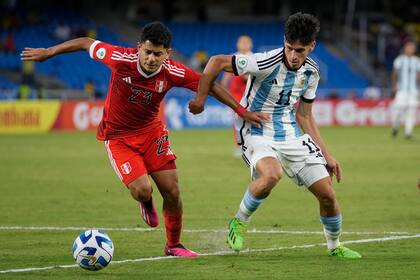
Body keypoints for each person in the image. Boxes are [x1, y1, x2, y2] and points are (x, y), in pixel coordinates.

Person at [21, 22, 267, 257]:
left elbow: (208, 83)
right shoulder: (120, 58)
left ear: (167, 53)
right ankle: (145, 200)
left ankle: (174, 245)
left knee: (172, 191)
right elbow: (86, 42)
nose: (151, 59)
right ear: (139, 47)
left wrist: (240, 111)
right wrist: (49, 51)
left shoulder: (172, 71)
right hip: (118, 137)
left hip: (152, 134)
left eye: (157, 54)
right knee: (142, 189)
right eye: (147, 52)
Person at [191, 12, 361, 258]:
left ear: (312, 46)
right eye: (289, 48)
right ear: (284, 41)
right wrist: (200, 99)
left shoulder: (312, 73)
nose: (293, 55)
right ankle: (238, 222)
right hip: (255, 130)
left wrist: (328, 154)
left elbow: (304, 116)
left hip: (290, 134)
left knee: (328, 195)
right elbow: (216, 62)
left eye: (300, 51)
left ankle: (335, 247)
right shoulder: (265, 61)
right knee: (272, 174)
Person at [220, 35, 253, 156]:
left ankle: (250, 143)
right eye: (241, 43)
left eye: (246, 43)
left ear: (250, 45)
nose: (244, 45)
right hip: (235, 94)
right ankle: (239, 145)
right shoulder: (234, 57)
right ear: (238, 44)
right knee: (237, 119)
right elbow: (226, 77)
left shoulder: (253, 58)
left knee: (249, 119)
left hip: (248, 94)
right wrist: (225, 90)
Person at [391, 41, 420, 139]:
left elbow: (419, 76)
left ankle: (408, 132)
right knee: (398, 109)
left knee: (412, 111)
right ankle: (395, 126)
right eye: (409, 47)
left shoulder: (417, 61)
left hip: (413, 90)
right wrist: (394, 86)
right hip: (401, 90)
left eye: (412, 48)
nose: (411, 49)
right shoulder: (399, 60)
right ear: (405, 48)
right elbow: (395, 73)